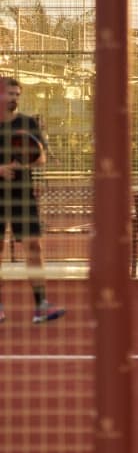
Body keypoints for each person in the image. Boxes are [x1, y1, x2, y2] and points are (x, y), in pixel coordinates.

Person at [0, 77, 65, 324]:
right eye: (10, 93)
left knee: (34, 247)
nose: (14, 98)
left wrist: (25, 162)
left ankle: (41, 305)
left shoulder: (27, 123)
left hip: (22, 195)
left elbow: (41, 158)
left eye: (17, 94)